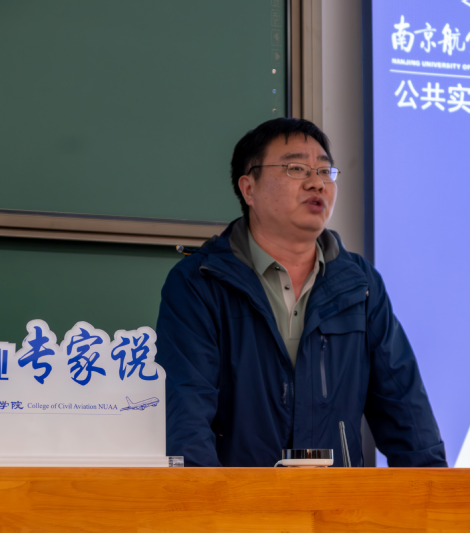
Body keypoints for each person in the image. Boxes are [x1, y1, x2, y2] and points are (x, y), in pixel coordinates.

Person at [156, 118, 446, 467]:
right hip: (240, 499)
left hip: (335, 499)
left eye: (324, 171)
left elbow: (406, 409)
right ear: (249, 189)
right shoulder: (200, 282)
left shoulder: (360, 284)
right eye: (296, 168)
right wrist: (211, 501)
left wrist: (434, 491)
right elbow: (187, 413)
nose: (316, 183)